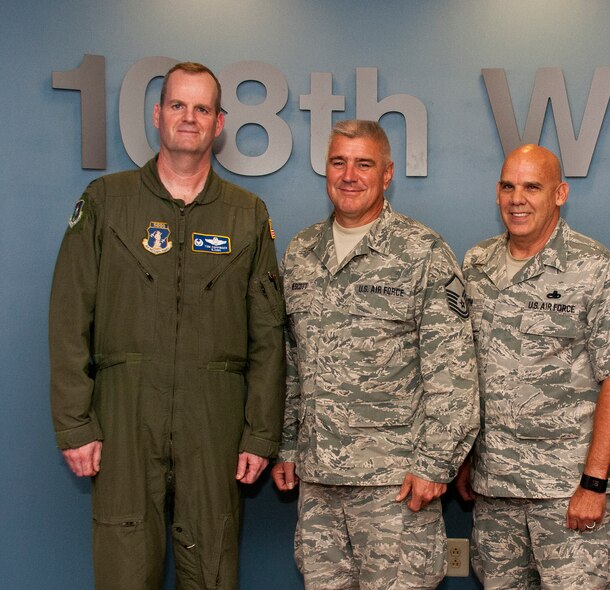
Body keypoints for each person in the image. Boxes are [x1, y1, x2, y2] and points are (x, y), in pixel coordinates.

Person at [49, 62, 285, 590]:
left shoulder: (246, 215)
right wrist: (75, 422)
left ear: (219, 123)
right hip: (125, 411)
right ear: (157, 115)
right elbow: (69, 316)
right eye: (178, 104)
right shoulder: (107, 202)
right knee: (124, 568)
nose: (189, 117)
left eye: (202, 108)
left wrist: (260, 432)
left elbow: (269, 338)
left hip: (215, 419)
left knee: (213, 567)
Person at [272, 120, 479, 589]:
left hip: (395, 484)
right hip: (319, 482)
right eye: (338, 162)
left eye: (363, 163)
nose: (349, 175)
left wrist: (434, 464)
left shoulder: (422, 251)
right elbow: (290, 361)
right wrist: (286, 444)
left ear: (387, 174)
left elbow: (454, 372)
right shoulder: (302, 252)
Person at [454, 144, 610, 588]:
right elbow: (466, 372)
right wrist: (464, 458)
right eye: (507, 186)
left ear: (560, 194)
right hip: (495, 491)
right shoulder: (476, 265)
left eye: (531, 187)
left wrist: (595, 484)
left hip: (567, 494)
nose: (517, 198)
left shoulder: (598, 270)